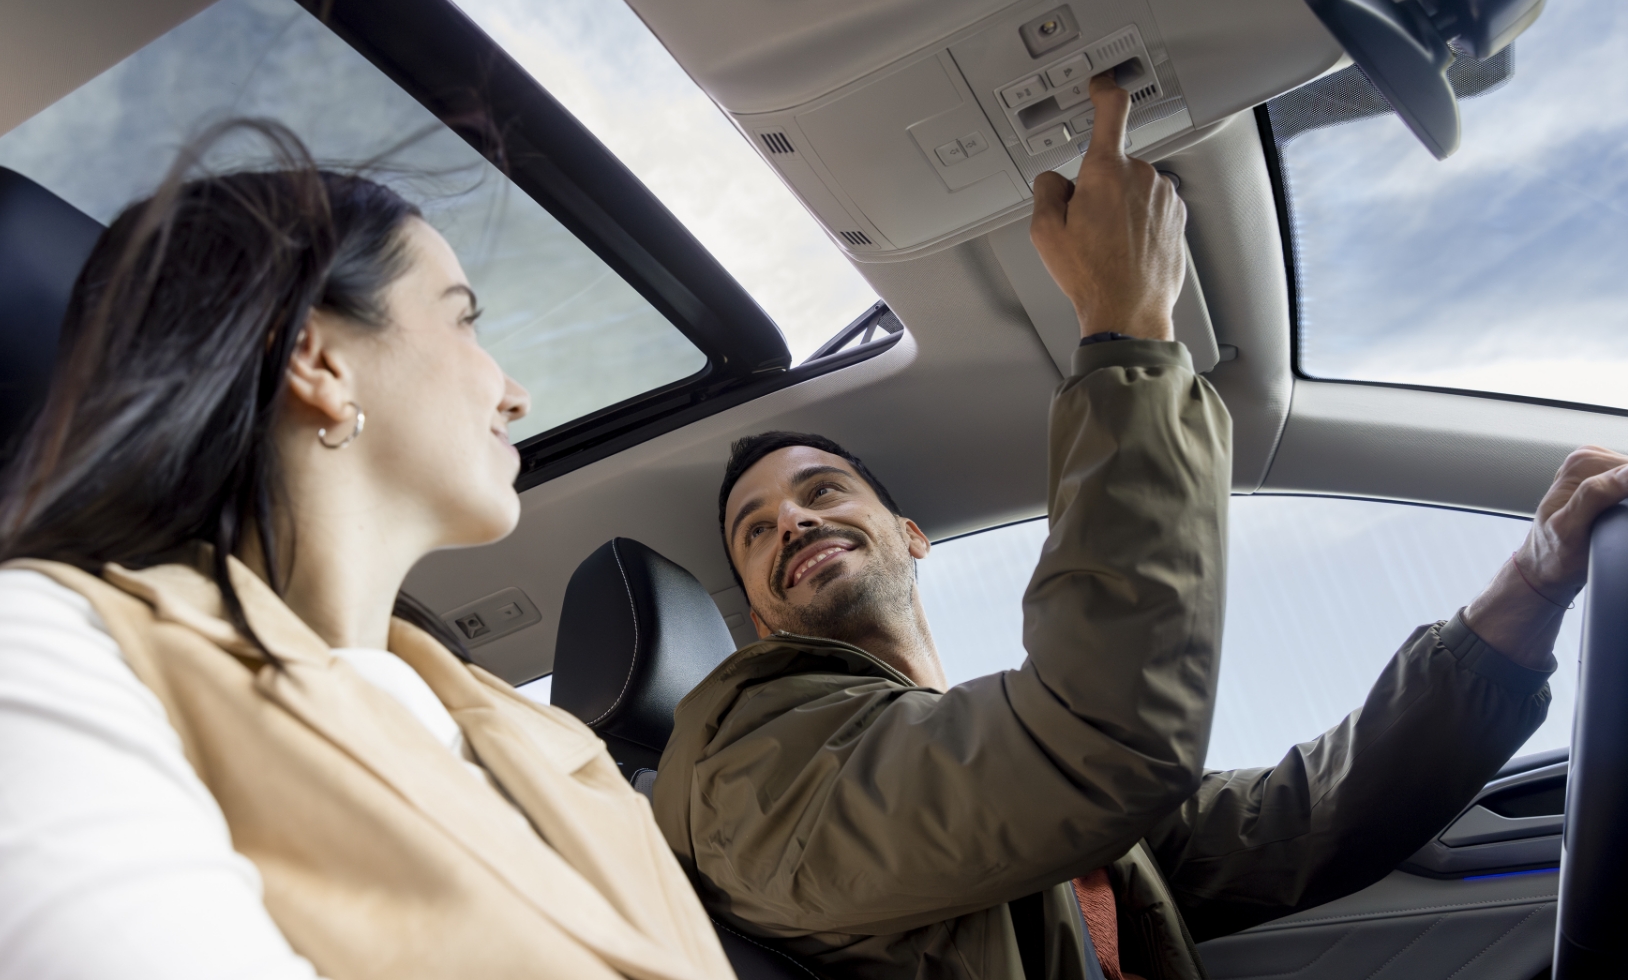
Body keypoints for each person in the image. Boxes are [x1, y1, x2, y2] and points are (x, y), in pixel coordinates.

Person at [652, 75, 1628, 980]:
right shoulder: (747, 773)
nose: (789, 517)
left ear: (911, 534)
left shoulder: (1012, 774)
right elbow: (1100, 735)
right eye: (754, 528)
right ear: (761, 613)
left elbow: (1306, 822)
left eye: (823, 490)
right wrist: (1124, 318)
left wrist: (1531, 589)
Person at [0, 123, 735, 980]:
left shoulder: (547, 738)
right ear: (317, 359)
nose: (513, 390)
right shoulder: (54, 644)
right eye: (463, 318)